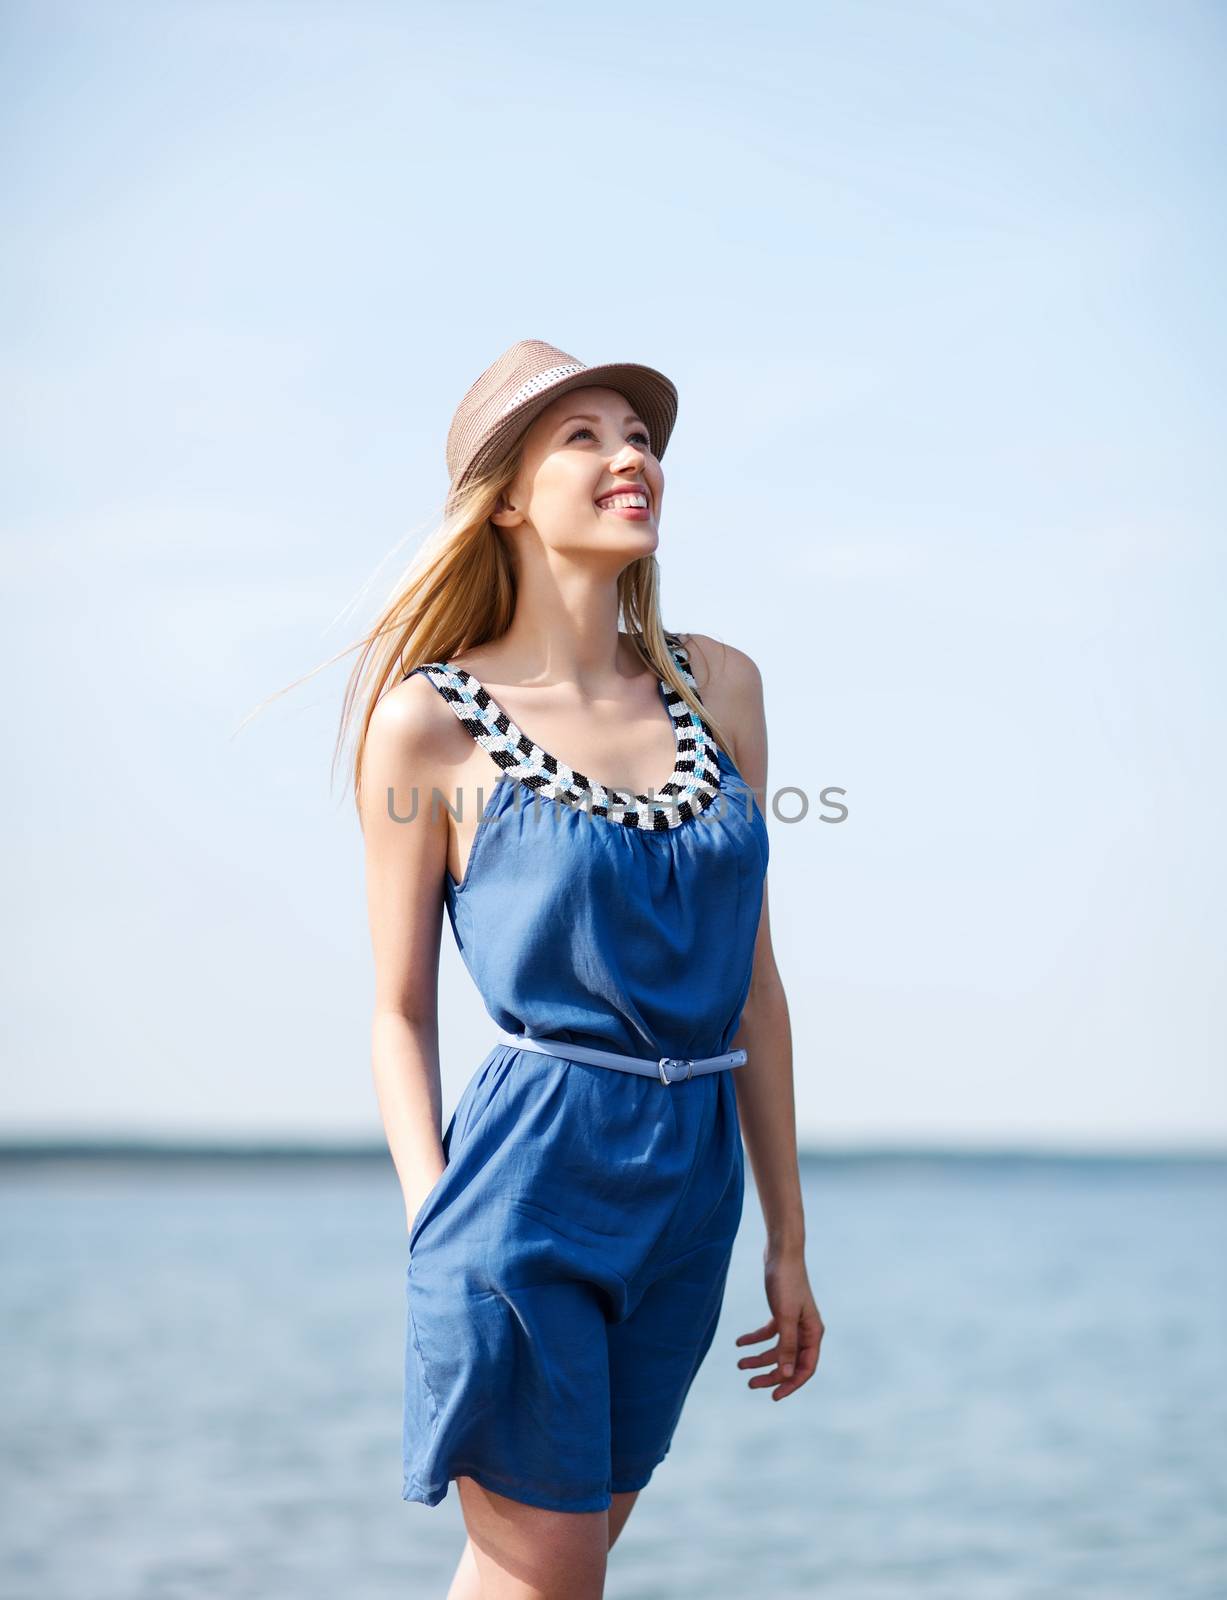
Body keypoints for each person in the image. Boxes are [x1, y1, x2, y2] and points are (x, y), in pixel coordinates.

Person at [347, 339, 823, 1599]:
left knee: (546, 1576)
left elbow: (756, 987)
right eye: (586, 436)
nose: (633, 459)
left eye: (644, 437)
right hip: (527, 1180)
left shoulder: (721, 688)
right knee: (552, 1576)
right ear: (504, 495)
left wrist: (788, 1236)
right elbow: (398, 1010)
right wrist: (433, 1215)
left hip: (691, 1186)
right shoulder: (430, 722)